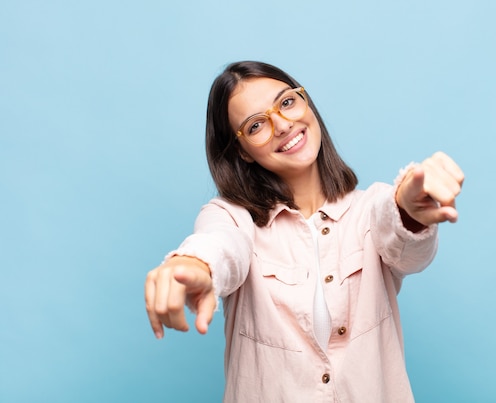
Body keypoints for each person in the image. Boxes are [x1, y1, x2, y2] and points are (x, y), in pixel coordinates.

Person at [144, 61, 464, 402]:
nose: (282, 125)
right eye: (255, 126)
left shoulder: (373, 208)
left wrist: (410, 211)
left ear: (305, 102)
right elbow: (220, 245)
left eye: (286, 102)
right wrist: (195, 264)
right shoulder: (231, 217)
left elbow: (404, 242)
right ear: (242, 152)